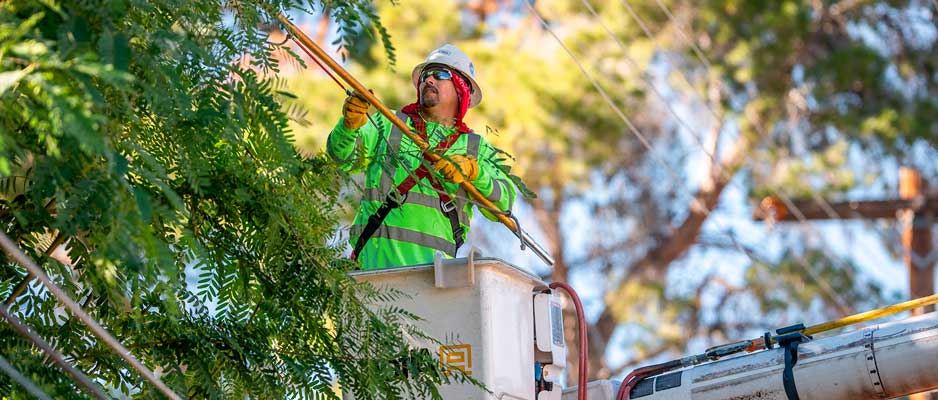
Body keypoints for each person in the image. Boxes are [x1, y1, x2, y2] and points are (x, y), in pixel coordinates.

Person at [327, 44, 515, 270]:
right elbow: (343, 158)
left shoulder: (476, 147)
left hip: (434, 282)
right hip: (371, 273)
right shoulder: (390, 124)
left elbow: (504, 205)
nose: (429, 80)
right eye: (426, 75)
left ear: (461, 89)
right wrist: (348, 126)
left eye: (441, 74)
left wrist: (475, 173)